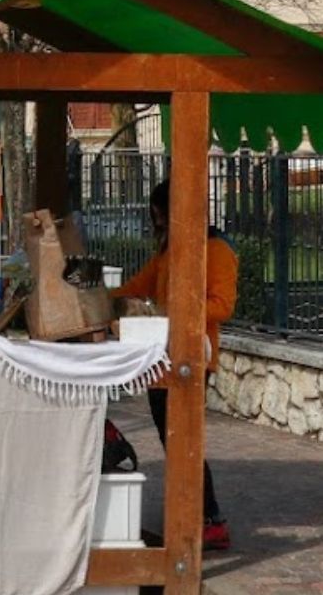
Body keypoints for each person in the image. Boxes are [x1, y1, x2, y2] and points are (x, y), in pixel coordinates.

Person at [113, 181, 235, 551]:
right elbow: (142, 284)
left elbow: (223, 305)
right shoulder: (171, 249)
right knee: (173, 440)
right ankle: (191, 512)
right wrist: (103, 299)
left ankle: (210, 519)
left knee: (184, 440)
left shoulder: (216, 250)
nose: (158, 221)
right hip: (162, 357)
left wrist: (179, 312)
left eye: (160, 213)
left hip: (194, 358)